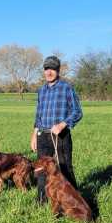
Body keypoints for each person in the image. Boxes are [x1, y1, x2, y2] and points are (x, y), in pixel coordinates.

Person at [30, 56, 83, 203]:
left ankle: (74, 200)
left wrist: (62, 124)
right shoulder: (41, 91)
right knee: (41, 170)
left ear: (58, 70)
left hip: (60, 136)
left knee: (65, 169)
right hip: (43, 136)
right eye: (46, 69)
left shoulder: (66, 88)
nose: (49, 72)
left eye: (52, 69)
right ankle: (41, 200)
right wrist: (34, 135)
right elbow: (38, 115)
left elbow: (77, 112)